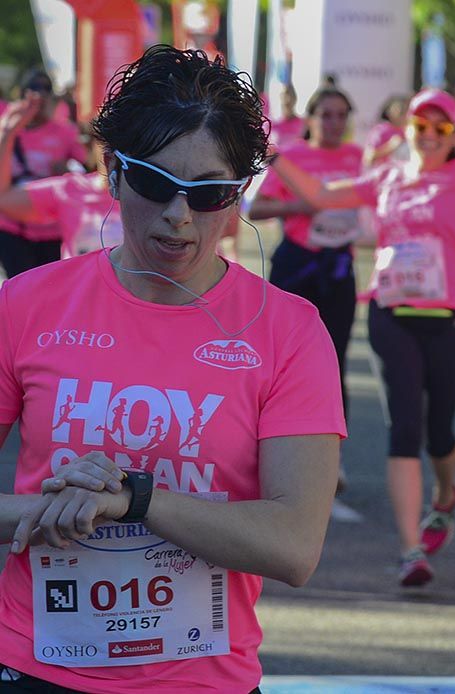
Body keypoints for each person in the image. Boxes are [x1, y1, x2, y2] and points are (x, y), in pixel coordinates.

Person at [0, 45, 345, 692]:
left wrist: (134, 499)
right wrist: (61, 507)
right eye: (156, 184)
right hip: (34, 667)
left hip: (204, 681)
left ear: (240, 191)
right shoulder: (24, 305)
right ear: (112, 171)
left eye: (211, 193)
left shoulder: (288, 330)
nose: (180, 216)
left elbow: (295, 546)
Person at [267, 63, 455, 586]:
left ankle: (445, 491)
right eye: (421, 126)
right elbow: (324, 198)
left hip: (453, 321)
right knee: (403, 430)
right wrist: (275, 155)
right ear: (407, 130)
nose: (430, 136)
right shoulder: (387, 176)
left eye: (441, 128)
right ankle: (411, 549)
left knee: (439, 433)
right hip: (393, 315)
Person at [249, 82, 362, 427]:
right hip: (297, 263)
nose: (334, 123)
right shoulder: (293, 157)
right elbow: (256, 209)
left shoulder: (357, 157)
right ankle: (274, 432)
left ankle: (333, 452)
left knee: (333, 357)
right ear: (310, 119)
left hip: (339, 265)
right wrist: (301, 206)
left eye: (341, 116)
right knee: (283, 357)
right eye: (326, 115)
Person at [0, 96, 124, 258]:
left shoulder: (153, 195)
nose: (118, 152)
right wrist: (7, 133)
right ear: (91, 144)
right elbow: (4, 197)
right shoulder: (70, 189)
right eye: (107, 140)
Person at [0, 68, 88, 278]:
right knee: (19, 290)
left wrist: (68, 169)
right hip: (12, 226)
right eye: (33, 88)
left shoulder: (65, 132)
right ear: (21, 93)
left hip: (52, 231)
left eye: (46, 89)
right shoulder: (7, 124)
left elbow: (88, 168)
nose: (40, 94)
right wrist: (9, 131)